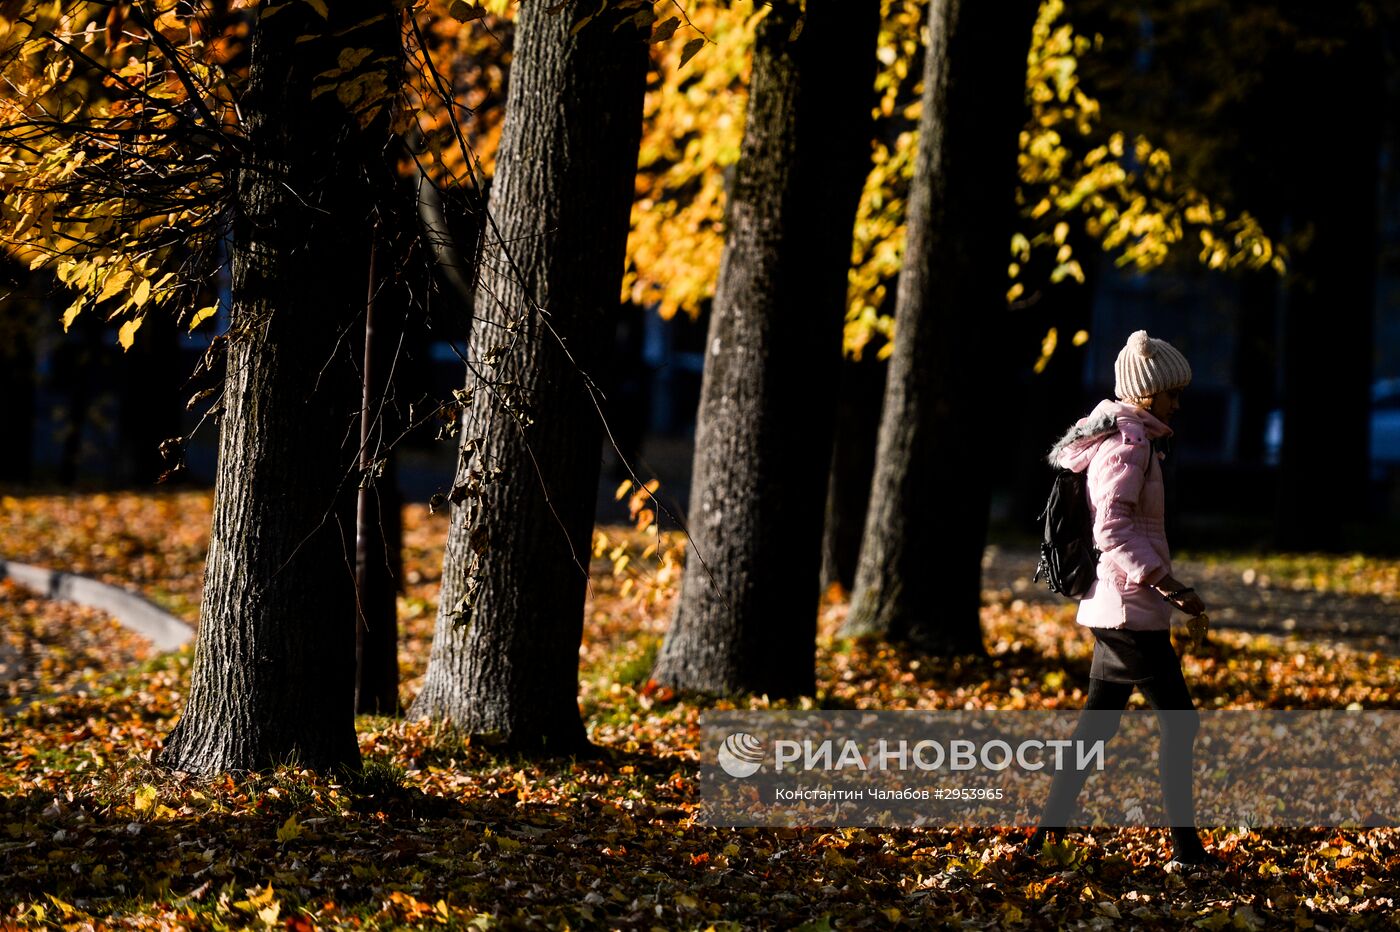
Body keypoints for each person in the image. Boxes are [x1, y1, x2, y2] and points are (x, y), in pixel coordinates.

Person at [1023, 329, 1223, 871]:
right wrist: (1169, 584)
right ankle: (1188, 852)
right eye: (1172, 393)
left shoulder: (1137, 441)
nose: (1178, 402)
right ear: (1146, 394)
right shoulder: (1128, 447)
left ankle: (1042, 843)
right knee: (1180, 725)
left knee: (1097, 729)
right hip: (1127, 607)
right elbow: (1111, 530)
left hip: (1121, 605)